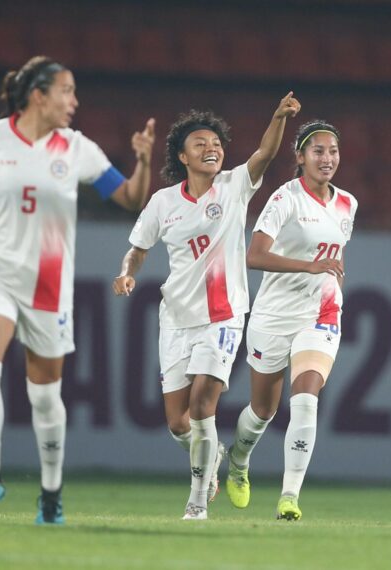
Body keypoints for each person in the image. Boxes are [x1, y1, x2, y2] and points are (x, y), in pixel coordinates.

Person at [0, 55, 155, 525]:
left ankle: (51, 491)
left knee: (45, 397)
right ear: (39, 96)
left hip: (48, 285)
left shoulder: (77, 148)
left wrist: (144, 161)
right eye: (67, 91)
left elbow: (129, 198)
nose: (75, 101)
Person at [113, 93, 301, 520]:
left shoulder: (233, 186)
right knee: (179, 423)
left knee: (202, 405)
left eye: (216, 142)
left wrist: (277, 117)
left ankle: (197, 501)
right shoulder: (163, 202)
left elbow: (266, 154)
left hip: (224, 315)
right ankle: (211, 454)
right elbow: (138, 249)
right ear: (182, 155)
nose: (211, 148)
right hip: (176, 318)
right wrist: (128, 272)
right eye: (200, 143)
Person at [223, 120, 357, 521]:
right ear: (300, 157)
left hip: (321, 314)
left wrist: (331, 276)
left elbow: (336, 254)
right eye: (317, 151)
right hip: (274, 314)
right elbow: (254, 255)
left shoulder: (348, 203)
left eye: (332, 150)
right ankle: (239, 459)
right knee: (263, 409)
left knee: (305, 399)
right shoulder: (285, 199)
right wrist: (310, 267)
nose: (327, 158)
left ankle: (289, 497)